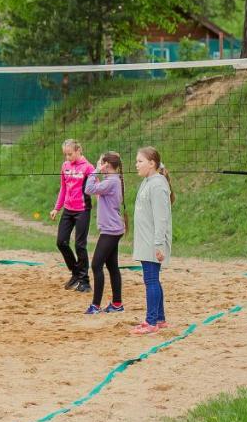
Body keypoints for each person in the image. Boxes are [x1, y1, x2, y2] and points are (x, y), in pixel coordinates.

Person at [131, 146, 174, 335]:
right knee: (153, 279)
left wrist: (158, 244)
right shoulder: (148, 181)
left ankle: (151, 322)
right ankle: (160, 319)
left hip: (152, 242)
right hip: (145, 240)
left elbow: (161, 218)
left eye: (140, 161)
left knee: (151, 280)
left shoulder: (157, 185)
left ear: (152, 163)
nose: (136, 164)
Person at [50, 139, 95, 293]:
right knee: (61, 242)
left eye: (70, 154)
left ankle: (85, 281)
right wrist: (57, 208)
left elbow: (95, 187)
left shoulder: (88, 168)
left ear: (78, 151)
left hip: (82, 209)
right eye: (65, 155)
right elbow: (63, 188)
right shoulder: (65, 166)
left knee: (79, 245)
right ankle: (76, 272)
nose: (67, 158)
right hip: (68, 210)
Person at [83, 151, 126, 315]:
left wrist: (95, 171)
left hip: (111, 230)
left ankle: (95, 305)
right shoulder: (112, 181)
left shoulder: (112, 181)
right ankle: (117, 304)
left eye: (100, 162)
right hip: (113, 228)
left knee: (96, 265)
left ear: (106, 165)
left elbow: (88, 189)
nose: (98, 164)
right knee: (112, 266)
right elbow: (98, 193)